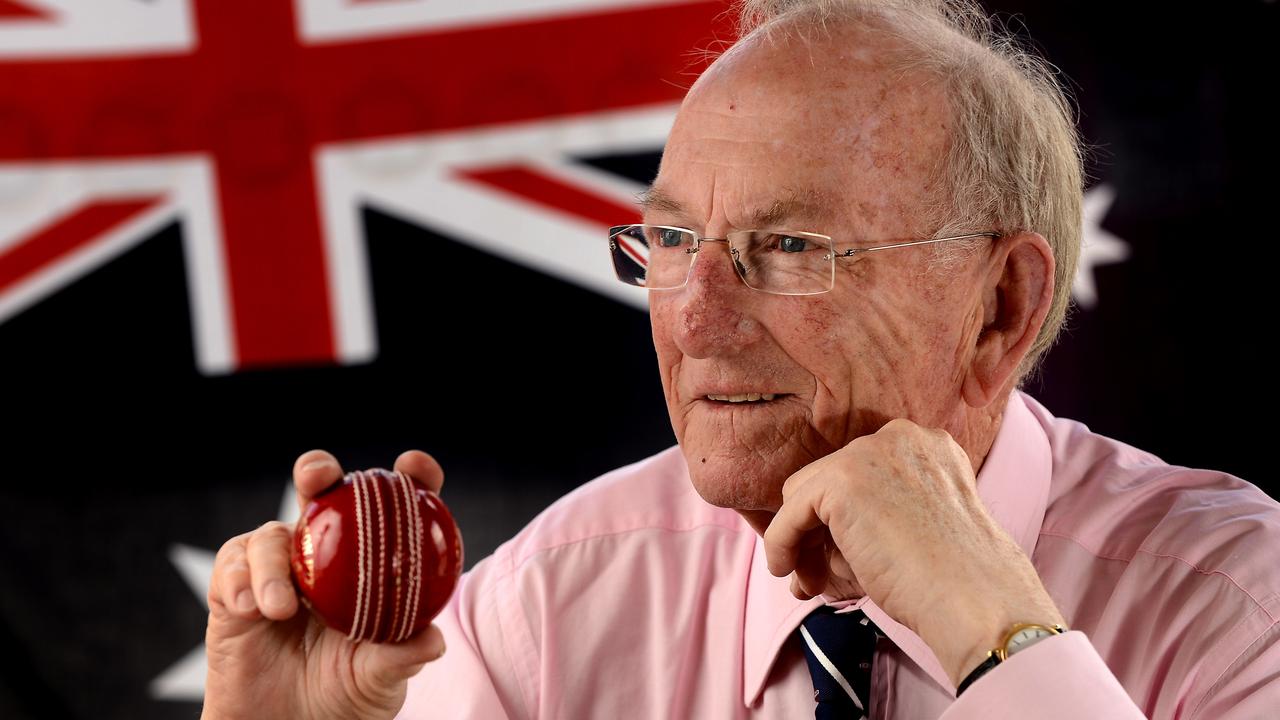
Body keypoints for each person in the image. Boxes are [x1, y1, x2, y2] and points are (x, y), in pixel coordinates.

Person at [200, 1, 1280, 718]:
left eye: (790, 247)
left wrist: (999, 638)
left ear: (999, 306)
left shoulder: (1238, 605)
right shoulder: (547, 607)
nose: (695, 320)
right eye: (670, 243)